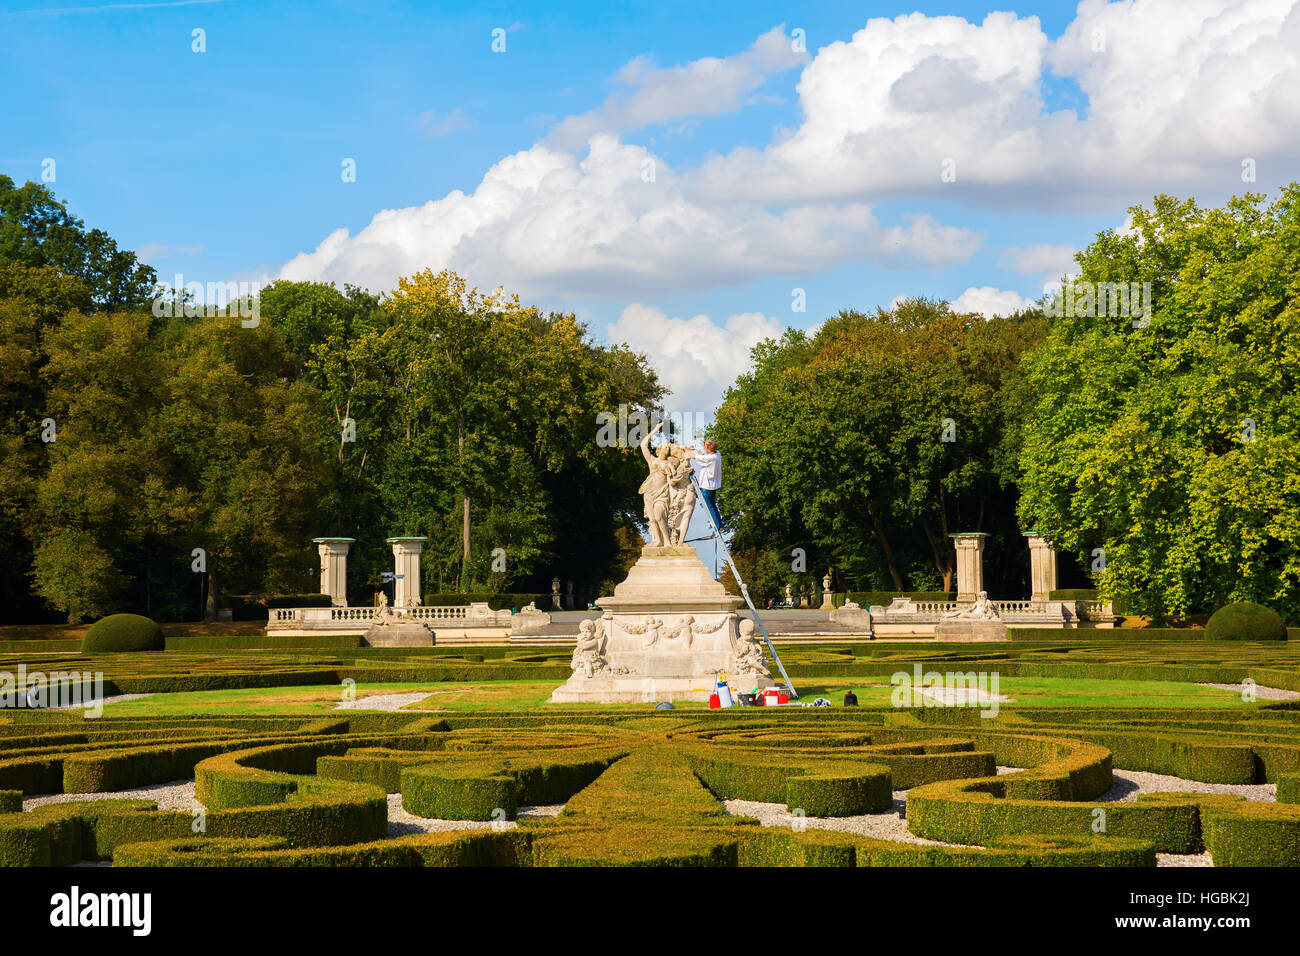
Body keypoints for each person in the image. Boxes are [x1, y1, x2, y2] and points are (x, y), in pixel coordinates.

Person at [686, 439, 724, 533]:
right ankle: (720, 526)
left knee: (709, 506)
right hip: (712, 485)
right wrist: (696, 449)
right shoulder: (717, 454)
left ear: (708, 449)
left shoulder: (711, 458)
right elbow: (703, 457)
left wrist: (686, 449)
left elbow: (694, 457)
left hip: (707, 486)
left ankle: (717, 526)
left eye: (705, 446)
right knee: (713, 505)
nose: (703, 447)